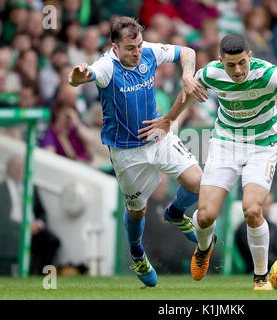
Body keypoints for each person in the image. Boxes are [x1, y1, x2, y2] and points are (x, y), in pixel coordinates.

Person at [139, 34, 277, 290]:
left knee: (252, 210)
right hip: (225, 145)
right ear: (221, 61)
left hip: (261, 147)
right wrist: (168, 119)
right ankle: (204, 247)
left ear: (250, 56)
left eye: (242, 63)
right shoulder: (210, 73)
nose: (237, 70)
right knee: (204, 216)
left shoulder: (268, 74)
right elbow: (188, 94)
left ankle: (260, 277)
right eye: (231, 65)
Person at [67, 16, 207, 288]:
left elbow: (187, 52)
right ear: (115, 47)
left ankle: (176, 213)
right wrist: (76, 78)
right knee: (136, 212)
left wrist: (187, 75)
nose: (137, 53)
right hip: (127, 153)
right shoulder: (107, 66)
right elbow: (84, 77)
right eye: (130, 48)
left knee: (198, 181)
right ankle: (137, 254)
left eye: (139, 46)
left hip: (158, 135)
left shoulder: (148, 51)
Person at [0, 156, 60, 275]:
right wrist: (24, 226)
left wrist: (38, 224)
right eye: (15, 167)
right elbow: (0, 218)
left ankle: (42, 279)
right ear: (8, 169)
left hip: (33, 231)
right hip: (12, 232)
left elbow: (42, 212)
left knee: (52, 241)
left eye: (21, 167)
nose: (18, 170)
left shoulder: (31, 187)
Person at [235, 193, 277, 273]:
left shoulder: (274, 227)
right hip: (254, 270)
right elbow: (254, 255)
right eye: (263, 204)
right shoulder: (245, 227)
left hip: (275, 268)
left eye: (268, 204)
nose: (265, 208)